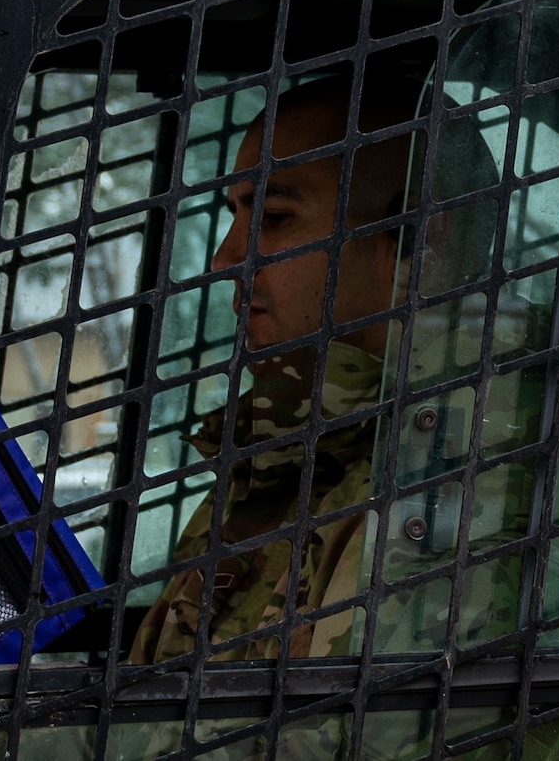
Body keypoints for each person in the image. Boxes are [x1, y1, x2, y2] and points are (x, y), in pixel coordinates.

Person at [129, 74, 454, 665]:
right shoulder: (287, 445)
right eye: (234, 216)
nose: (228, 257)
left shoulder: (464, 458)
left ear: (414, 241)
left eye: (273, 218)